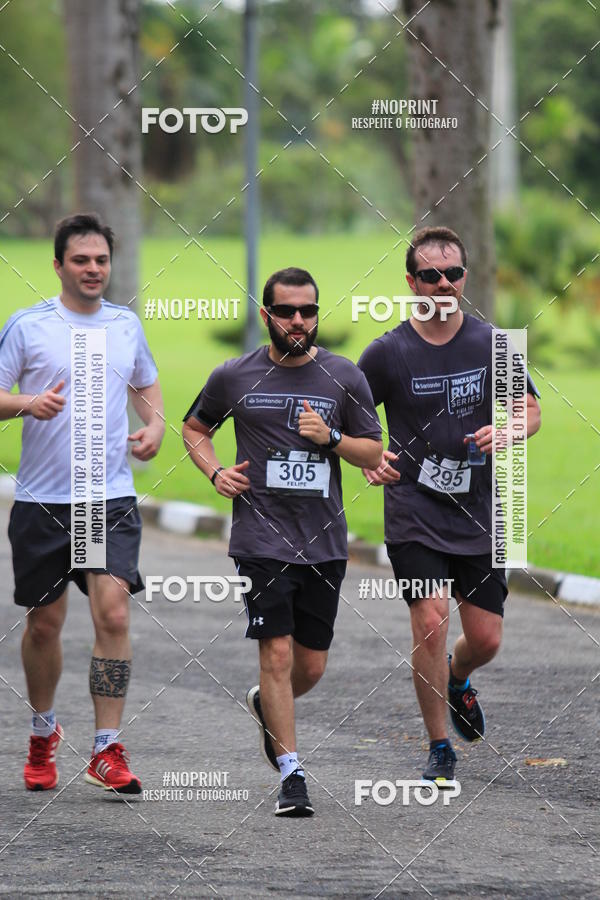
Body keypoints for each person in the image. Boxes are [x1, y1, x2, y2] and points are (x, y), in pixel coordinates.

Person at [182, 267, 382, 817]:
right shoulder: (234, 375)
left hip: (324, 542)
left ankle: (265, 706)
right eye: (288, 311)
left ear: (318, 315)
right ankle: (292, 775)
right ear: (267, 314)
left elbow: (373, 453)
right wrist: (215, 473)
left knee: (309, 667)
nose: (299, 321)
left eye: (309, 311)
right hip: (260, 538)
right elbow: (195, 428)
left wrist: (332, 437)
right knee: (275, 652)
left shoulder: (345, 378)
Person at [358, 226, 541, 785]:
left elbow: (531, 411)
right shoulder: (387, 353)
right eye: (430, 275)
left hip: (482, 508)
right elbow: (355, 425)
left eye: (453, 274)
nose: (443, 284)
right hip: (414, 507)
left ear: (465, 278)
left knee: (484, 638)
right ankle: (439, 746)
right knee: (431, 622)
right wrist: (367, 459)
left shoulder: (493, 343)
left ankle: (459, 679)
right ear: (411, 282)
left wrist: (509, 430)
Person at [0, 213, 164, 794]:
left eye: (101, 260)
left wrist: (154, 425)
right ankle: (43, 732)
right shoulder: (27, 326)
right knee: (44, 625)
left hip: (107, 499)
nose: (93, 270)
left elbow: (145, 382)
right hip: (44, 502)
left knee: (113, 615)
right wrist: (26, 403)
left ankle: (106, 747)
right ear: (58, 266)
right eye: (81, 260)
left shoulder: (124, 324)